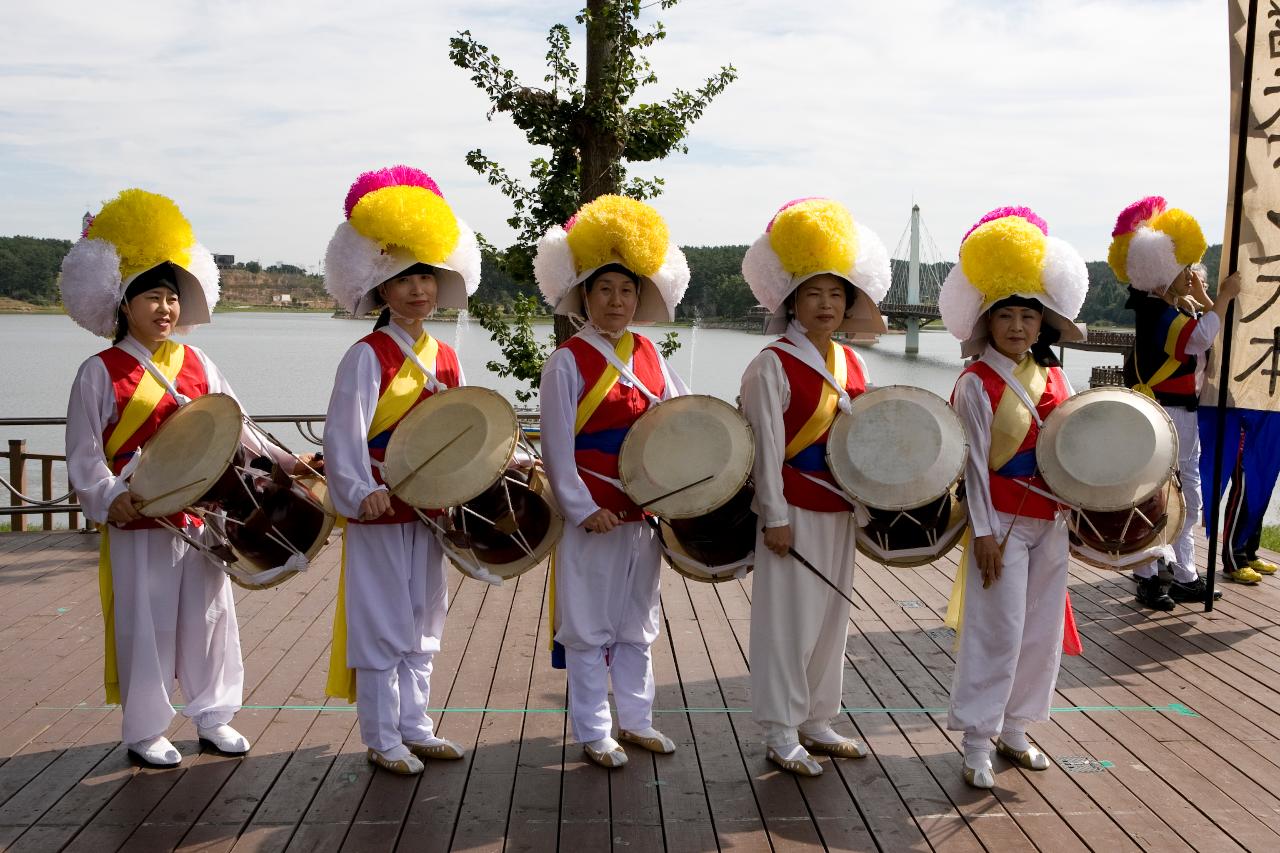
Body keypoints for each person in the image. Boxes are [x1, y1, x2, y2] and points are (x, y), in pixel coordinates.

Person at [62, 189, 299, 766]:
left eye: (172, 298)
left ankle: (214, 715)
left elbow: (238, 426)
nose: (165, 309)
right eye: (152, 297)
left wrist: (286, 463)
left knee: (211, 618)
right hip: (139, 519)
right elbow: (83, 453)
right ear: (124, 304)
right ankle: (146, 728)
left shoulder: (199, 365)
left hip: (201, 516)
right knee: (147, 625)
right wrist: (108, 497)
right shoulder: (100, 372)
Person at [321, 165, 480, 775]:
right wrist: (361, 492)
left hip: (432, 508)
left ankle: (417, 723)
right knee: (383, 622)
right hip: (383, 510)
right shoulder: (367, 355)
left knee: (424, 619)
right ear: (379, 290)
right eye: (402, 280)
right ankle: (382, 735)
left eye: (425, 277)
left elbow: (466, 429)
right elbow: (344, 436)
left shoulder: (445, 355)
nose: (418, 290)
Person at [535, 195, 691, 768]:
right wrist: (580, 508)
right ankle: (594, 730)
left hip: (644, 513)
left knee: (637, 624)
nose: (617, 301)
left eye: (627, 291)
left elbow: (678, 427)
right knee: (587, 626)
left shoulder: (651, 352)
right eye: (605, 290)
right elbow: (555, 449)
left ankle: (638, 720)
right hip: (595, 516)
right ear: (585, 298)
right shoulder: (567, 361)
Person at [738, 197, 891, 776]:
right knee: (788, 622)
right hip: (793, 509)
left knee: (831, 617)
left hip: (840, 507)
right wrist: (772, 515)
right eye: (813, 294)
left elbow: (868, 442)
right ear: (792, 302)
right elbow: (767, 450)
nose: (826, 305)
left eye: (836, 294)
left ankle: (818, 717)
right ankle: (780, 729)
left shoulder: (854, 365)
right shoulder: (771, 364)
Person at [940, 207, 1089, 789]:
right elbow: (972, 464)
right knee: (995, 630)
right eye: (1008, 314)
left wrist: (1077, 510)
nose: (1020, 326)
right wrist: (981, 532)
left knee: (1040, 629)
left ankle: (1017, 727)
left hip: (1050, 521)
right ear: (988, 321)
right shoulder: (975, 382)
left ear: (1041, 324)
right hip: (999, 521)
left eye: (1030, 315)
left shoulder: (1055, 379)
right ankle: (977, 738)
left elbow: (1074, 447)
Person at [1109, 196, 1245, 603]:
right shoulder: (1158, 313)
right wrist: (1223, 295)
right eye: (1184, 269)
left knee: (1184, 491)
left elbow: (1205, 330)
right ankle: (1149, 574)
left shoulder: (1164, 309)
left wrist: (1209, 299)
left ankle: (1183, 570)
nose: (1189, 276)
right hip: (1164, 411)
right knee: (1154, 492)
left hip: (1177, 412)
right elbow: (1200, 338)